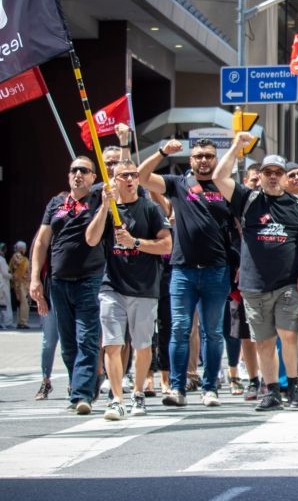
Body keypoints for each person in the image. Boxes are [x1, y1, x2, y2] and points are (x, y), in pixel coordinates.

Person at [214, 136, 298, 411]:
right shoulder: (247, 199)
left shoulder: (297, 206)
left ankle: (292, 387)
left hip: (287, 285)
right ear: (259, 176)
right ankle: (271, 391)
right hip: (254, 286)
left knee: (289, 335)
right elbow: (219, 176)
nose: (272, 177)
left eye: (277, 173)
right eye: (267, 173)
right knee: (264, 341)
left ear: (283, 177)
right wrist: (236, 147)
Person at [137, 139, 232, 408]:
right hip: (182, 271)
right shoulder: (178, 184)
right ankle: (177, 388)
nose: (204, 160)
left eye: (209, 156)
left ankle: (210, 388)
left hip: (217, 270)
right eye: (199, 156)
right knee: (179, 329)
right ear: (190, 160)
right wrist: (162, 152)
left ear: (216, 159)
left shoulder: (226, 186)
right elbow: (142, 177)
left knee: (212, 333)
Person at [85, 160, 172, 420]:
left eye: (134, 174)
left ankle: (138, 393)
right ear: (114, 180)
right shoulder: (108, 208)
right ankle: (117, 399)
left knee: (142, 344)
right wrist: (103, 206)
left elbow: (166, 245)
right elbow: (91, 239)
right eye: (124, 175)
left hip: (144, 287)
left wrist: (135, 242)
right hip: (112, 285)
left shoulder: (150, 209)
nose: (131, 179)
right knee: (112, 343)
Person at [30, 156, 105, 415]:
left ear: (94, 177)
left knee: (87, 338)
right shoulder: (56, 203)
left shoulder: (99, 200)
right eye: (73, 170)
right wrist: (34, 278)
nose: (78, 175)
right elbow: (41, 242)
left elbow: (127, 175)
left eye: (84, 171)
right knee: (69, 342)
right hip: (59, 282)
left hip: (89, 279)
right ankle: (82, 385)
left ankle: (81, 394)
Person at [10, 241, 31, 330]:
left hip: (24, 283)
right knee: (24, 304)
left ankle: (21, 321)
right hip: (20, 283)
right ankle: (23, 322)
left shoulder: (22, 257)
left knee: (23, 303)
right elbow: (17, 269)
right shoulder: (17, 256)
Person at [0, 243, 11, 328]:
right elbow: (5, 273)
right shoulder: (1, 260)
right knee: (5, 303)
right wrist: (13, 276)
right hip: (3, 284)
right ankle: (7, 322)